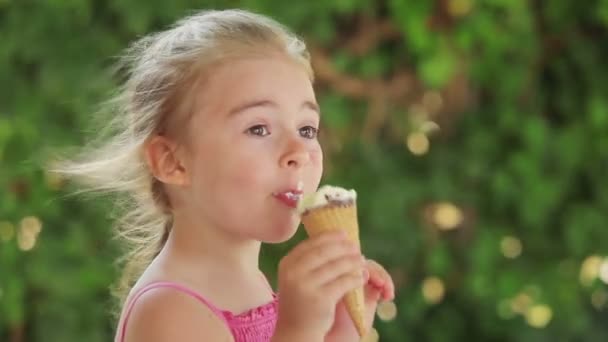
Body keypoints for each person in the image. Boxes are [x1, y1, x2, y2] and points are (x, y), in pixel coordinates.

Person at [57, 8, 395, 342]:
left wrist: (341, 329)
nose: (299, 152)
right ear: (172, 162)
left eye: (307, 129)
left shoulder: (250, 283)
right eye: (259, 128)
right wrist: (299, 330)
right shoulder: (169, 310)